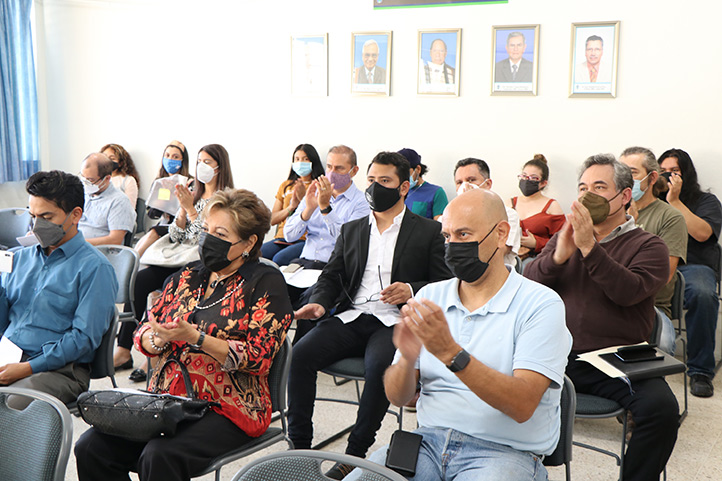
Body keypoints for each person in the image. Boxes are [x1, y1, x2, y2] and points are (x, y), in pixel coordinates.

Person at [351, 188, 571, 481]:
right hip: (426, 444)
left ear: (500, 234)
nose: (453, 245)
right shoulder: (430, 297)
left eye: (464, 235)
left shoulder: (540, 304)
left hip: (504, 453)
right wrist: (405, 361)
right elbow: (398, 397)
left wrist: (451, 354)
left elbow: (522, 405)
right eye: (447, 236)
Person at [75, 188, 293, 481]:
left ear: (249, 242)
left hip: (229, 406)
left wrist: (197, 338)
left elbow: (259, 357)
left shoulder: (266, 282)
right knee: (91, 447)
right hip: (167, 400)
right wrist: (158, 339)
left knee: (159, 455)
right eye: (205, 230)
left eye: (220, 233)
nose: (208, 239)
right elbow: (143, 333)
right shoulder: (188, 276)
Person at [288, 152, 452, 479]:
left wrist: (411, 289)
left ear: (404, 187)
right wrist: (320, 303)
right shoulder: (353, 229)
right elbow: (332, 276)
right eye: (372, 181)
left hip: (394, 321)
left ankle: (354, 454)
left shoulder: (428, 232)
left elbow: (445, 283)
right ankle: (299, 447)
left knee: (380, 366)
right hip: (353, 315)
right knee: (300, 354)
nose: (376, 187)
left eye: (386, 182)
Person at [525, 154, 679, 481]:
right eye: (583, 188)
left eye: (599, 187)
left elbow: (627, 291)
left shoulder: (648, 245)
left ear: (625, 196)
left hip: (617, 357)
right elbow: (530, 282)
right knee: (495, 381)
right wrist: (559, 254)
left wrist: (590, 249)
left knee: (661, 409)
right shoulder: (564, 237)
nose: (588, 196)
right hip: (558, 353)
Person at [0, 170, 117, 408]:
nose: (36, 226)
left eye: (46, 217)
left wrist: (27, 367)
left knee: (11, 407)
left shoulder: (95, 269)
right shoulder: (19, 258)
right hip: (9, 354)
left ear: (75, 215)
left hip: (60, 370)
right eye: (32, 216)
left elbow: (82, 340)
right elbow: (4, 322)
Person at [114, 144, 233, 377]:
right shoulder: (194, 192)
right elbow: (177, 236)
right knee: (139, 281)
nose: (201, 167)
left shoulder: (225, 200)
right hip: (177, 256)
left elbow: (206, 240)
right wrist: (181, 212)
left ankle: (156, 351)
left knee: (170, 285)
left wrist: (191, 211)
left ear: (220, 167)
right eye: (199, 161)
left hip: (201, 262)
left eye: (207, 162)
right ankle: (123, 348)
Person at [659, 148, 722, 397]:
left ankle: (701, 371)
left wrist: (674, 202)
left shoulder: (706, 201)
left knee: (704, 294)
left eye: (674, 171)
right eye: (664, 171)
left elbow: (703, 233)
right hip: (659, 263)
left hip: (693, 265)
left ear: (686, 174)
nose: (669, 176)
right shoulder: (650, 200)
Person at [620, 146, 687, 356]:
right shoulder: (609, 212)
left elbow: (663, 276)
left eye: (632, 173)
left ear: (652, 177)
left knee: (661, 348)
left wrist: (630, 228)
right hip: (606, 300)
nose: (625, 179)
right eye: (620, 172)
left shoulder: (671, 217)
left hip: (650, 307)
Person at [284, 145, 370, 270]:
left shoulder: (362, 202)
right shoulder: (314, 193)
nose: (332, 173)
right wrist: (308, 210)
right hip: (304, 263)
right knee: (275, 286)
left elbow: (348, 242)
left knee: (313, 290)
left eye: (339, 168)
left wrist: (325, 209)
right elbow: (289, 236)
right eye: (329, 167)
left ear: (354, 171)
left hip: (333, 267)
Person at [261, 144, 325, 266]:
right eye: (297, 159)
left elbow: (319, 216)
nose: (301, 162)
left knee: (279, 259)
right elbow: (271, 219)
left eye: (305, 159)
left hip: (304, 239)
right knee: (258, 255)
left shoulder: (319, 186)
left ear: (313, 161)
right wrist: (291, 207)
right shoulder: (286, 185)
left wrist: (302, 199)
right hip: (281, 238)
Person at [453, 158, 521, 265]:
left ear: (488, 184)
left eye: (471, 180)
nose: (465, 186)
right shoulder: (448, 217)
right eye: (459, 182)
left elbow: (499, 252)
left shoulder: (508, 215)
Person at [135, 140, 191, 258]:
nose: (170, 159)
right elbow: (152, 214)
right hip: (163, 224)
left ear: (183, 160)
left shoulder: (190, 182)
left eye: (175, 156)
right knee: (140, 243)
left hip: (181, 227)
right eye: (167, 155)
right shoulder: (159, 182)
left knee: (153, 234)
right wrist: (163, 196)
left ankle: (131, 265)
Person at [508, 154, 565, 262]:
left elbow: (563, 242)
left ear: (543, 183)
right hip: (508, 257)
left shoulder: (552, 207)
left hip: (537, 259)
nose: (527, 180)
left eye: (533, 178)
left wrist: (536, 243)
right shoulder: (509, 203)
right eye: (524, 176)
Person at [78, 152, 137, 246]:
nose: (85, 183)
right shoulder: (84, 194)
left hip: (99, 253)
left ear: (107, 178)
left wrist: (79, 244)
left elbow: (115, 240)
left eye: (90, 180)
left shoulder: (119, 201)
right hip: (77, 250)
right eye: (83, 178)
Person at [398, 148, 448, 221]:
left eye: (406, 172)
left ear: (418, 169)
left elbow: (441, 225)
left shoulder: (436, 192)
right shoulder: (396, 191)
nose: (402, 177)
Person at [100, 143, 141, 207]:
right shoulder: (97, 179)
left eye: (112, 158)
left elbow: (129, 209)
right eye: (104, 157)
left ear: (120, 163)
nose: (107, 161)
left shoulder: (128, 180)